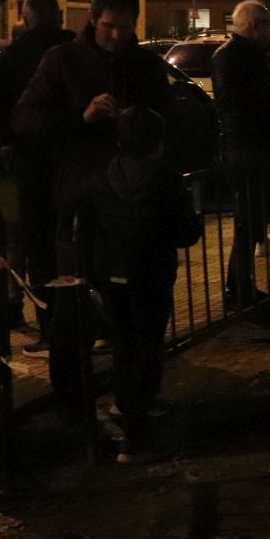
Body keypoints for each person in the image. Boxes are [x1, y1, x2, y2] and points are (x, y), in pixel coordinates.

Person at [14, 0, 170, 276]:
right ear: (93, 19)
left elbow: (169, 116)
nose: (116, 35)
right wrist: (81, 117)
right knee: (84, 284)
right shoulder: (61, 60)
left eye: (126, 27)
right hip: (82, 198)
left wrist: (140, 120)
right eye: (109, 25)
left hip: (136, 199)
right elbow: (24, 116)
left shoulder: (146, 64)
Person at [88, 107, 202, 463]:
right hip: (149, 272)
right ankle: (134, 440)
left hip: (112, 273)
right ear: (158, 142)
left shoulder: (106, 176)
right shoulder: (167, 180)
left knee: (124, 344)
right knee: (148, 347)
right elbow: (186, 232)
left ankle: (125, 406)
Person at [0, 0, 74, 340]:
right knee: (69, 239)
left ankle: (48, 321)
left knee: (30, 242)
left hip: (28, 165)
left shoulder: (15, 55)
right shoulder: (74, 49)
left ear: (29, 17)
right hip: (73, 160)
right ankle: (79, 318)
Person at [212, 0, 270, 305]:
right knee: (248, 218)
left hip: (254, 145)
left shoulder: (250, 55)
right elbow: (231, 100)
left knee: (254, 218)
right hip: (244, 147)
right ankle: (239, 287)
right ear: (254, 26)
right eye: (267, 24)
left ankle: (241, 283)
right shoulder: (230, 56)